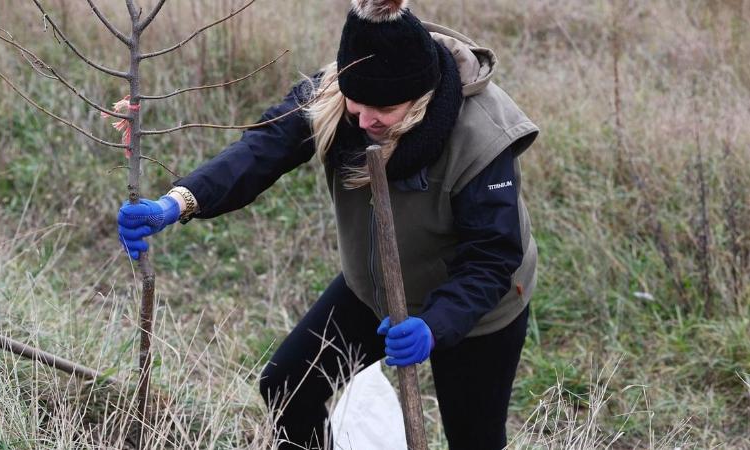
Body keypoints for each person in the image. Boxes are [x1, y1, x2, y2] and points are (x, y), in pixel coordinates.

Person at [117, 0, 538, 448]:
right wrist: (178, 201)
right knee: (287, 388)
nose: (366, 121)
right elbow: (263, 150)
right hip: (373, 290)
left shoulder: (482, 136)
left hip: (477, 311)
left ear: (421, 98)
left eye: (384, 110)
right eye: (358, 107)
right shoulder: (336, 92)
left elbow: (492, 257)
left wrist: (433, 325)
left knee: (474, 441)